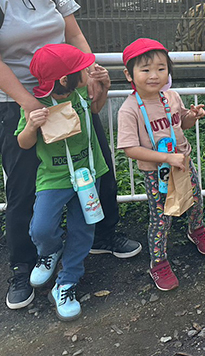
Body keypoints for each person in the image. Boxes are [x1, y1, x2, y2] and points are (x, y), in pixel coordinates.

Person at [0, 0, 140, 310]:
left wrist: (92, 73)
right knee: (25, 184)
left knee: (97, 162)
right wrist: (29, 104)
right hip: (19, 103)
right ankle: (24, 264)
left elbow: (74, 32)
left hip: (68, 95)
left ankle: (102, 235)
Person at [16, 45, 109, 320]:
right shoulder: (36, 104)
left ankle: (67, 282)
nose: (85, 70)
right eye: (80, 69)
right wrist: (32, 126)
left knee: (84, 230)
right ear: (65, 79)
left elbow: (96, 109)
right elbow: (23, 142)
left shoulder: (81, 93)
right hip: (54, 178)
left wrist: (103, 85)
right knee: (42, 228)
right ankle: (51, 250)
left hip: (89, 173)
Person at [116, 38, 205, 291]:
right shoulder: (129, 110)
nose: (154, 75)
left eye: (161, 68)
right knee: (161, 217)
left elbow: (181, 124)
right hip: (156, 172)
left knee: (195, 200)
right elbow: (130, 149)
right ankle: (158, 262)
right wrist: (166, 158)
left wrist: (192, 116)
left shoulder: (171, 96)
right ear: (129, 74)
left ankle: (196, 229)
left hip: (182, 162)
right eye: (146, 69)